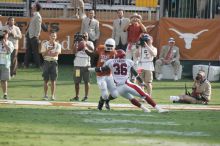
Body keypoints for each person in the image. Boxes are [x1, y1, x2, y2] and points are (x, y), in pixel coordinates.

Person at [92, 49, 168, 113]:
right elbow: (135, 73)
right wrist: (141, 82)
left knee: (131, 98)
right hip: (126, 84)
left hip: (119, 88)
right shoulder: (128, 62)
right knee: (144, 95)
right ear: (124, 56)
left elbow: (101, 69)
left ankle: (145, 109)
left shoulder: (111, 62)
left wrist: (93, 69)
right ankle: (159, 109)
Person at [86, 38, 118, 110]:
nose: (109, 47)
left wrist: (95, 69)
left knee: (115, 94)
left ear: (114, 47)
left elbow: (109, 67)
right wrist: (86, 50)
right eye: (107, 45)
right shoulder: (100, 48)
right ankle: (100, 105)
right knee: (105, 94)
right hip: (100, 76)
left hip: (109, 76)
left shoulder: (114, 53)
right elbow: (94, 56)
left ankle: (107, 101)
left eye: (111, 46)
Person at [70, 32, 94, 102]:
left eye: (86, 36)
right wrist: (75, 42)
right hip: (78, 66)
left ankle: (86, 96)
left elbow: (92, 50)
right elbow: (73, 52)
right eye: (83, 36)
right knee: (77, 82)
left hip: (86, 66)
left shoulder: (90, 43)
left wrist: (85, 43)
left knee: (87, 81)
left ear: (88, 37)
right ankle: (77, 96)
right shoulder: (77, 42)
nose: (84, 37)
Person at [40, 32, 61, 100]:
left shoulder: (58, 45)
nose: (53, 37)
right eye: (52, 36)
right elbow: (43, 55)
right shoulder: (45, 44)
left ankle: (52, 95)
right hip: (46, 62)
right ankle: (45, 95)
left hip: (54, 62)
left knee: (53, 80)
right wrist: (48, 50)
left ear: (56, 37)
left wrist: (48, 53)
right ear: (49, 36)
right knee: (46, 80)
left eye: (54, 36)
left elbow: (56, 54)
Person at [24, 2, 42, 68]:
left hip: (34, 36)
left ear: (36, 8)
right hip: (29, 35)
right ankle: (26, 64)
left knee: (35, 52)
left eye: (33, 6)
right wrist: (27, 33)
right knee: (28, 51)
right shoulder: (33, 15)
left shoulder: (38, 16)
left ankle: (38, 65)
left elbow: (38, 28)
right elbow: (31, 25)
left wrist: (36, 36)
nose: (32, 7)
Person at [0, 30, 14, 99]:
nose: (4, 36)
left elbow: (9, 51)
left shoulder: (10, 43)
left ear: (7, 35)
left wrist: (4, 44)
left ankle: (5, 94)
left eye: (5, 34)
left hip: (5, 63)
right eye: (3, 34)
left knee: (4, 79)